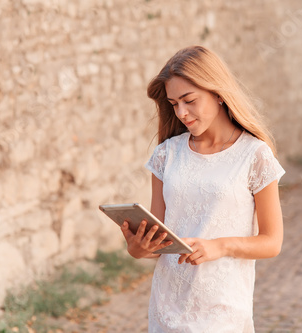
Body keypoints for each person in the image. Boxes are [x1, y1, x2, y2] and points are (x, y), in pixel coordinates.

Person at [120, 45, 286, 333]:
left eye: (189, 100)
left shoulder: (255, 155)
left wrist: (219, 246)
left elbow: (272, 242)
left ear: (218, 93)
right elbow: (159, 243)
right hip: (167, 308)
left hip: (223, 310)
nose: (182, 112)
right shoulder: (166, 155)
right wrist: (138, 248)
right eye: (174, 104)